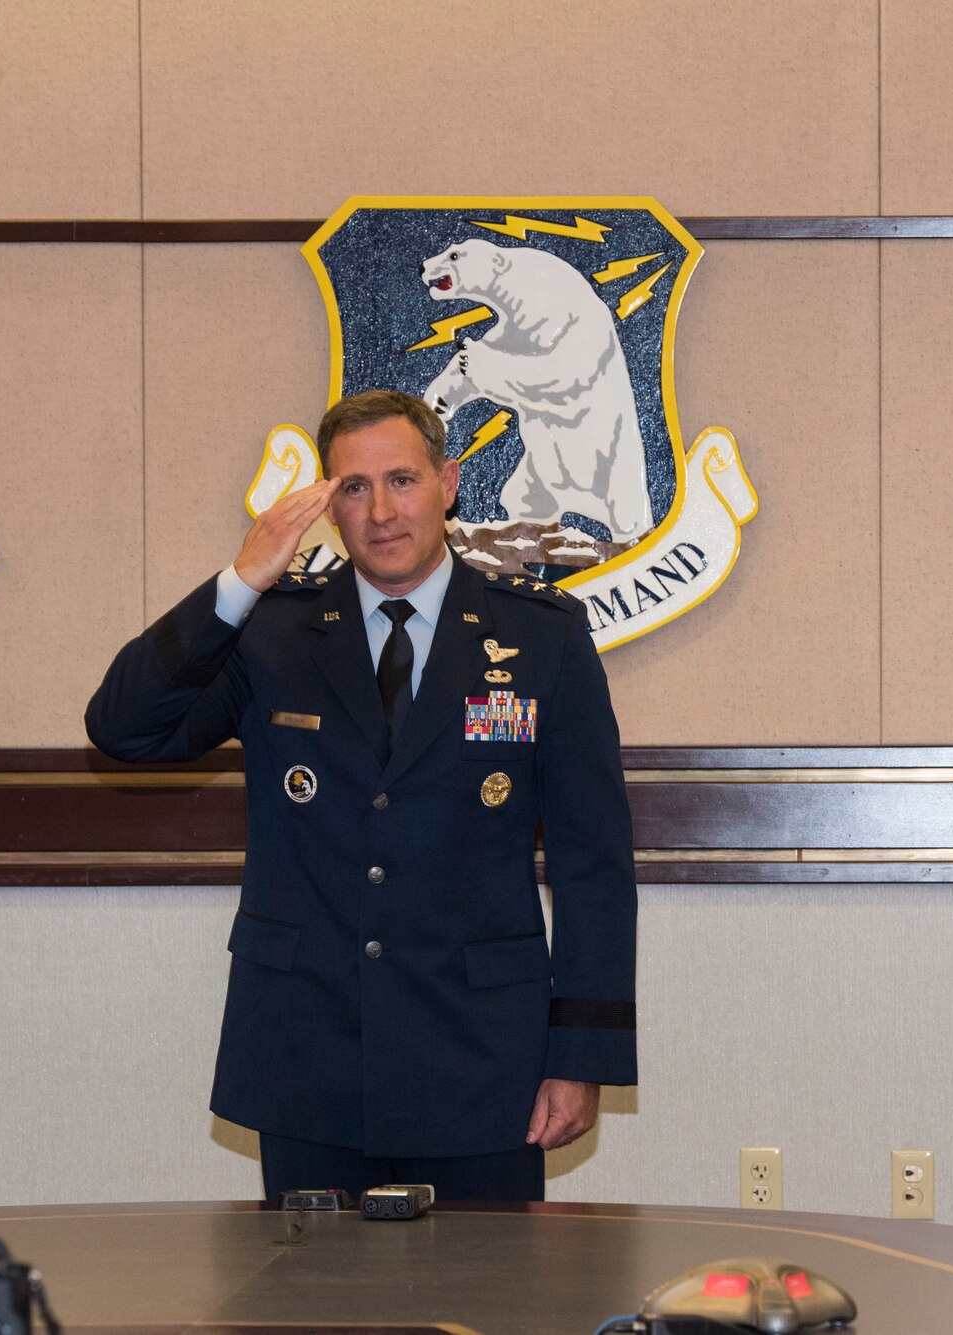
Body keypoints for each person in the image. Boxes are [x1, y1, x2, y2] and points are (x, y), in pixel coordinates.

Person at [85, 389, 636, 1202]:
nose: (381, 510)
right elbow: (124, 727)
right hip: (308, 1053)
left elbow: (594, 864)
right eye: (352, 487)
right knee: (310, 1314)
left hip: (482, 1060)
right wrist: (239, 582)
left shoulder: (540, 639)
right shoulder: (269, 632)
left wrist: (579, 1057)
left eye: (402, 480)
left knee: (489, 1311)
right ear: (325, 506)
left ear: (449, 484)